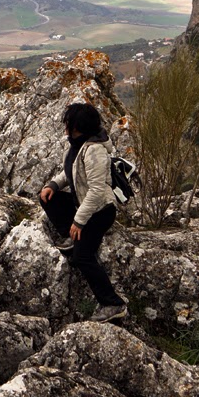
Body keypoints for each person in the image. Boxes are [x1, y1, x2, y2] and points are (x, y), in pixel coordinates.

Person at [39, 102, 127, 323]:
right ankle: (70, 235)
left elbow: (97, 191)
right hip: (84, 205)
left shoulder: (95, 150)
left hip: (100, 211)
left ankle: (113, 304)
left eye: (68, 123)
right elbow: (71, 173)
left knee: (81, 257)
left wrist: (78, 222)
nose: (65, 127)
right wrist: (53, 185)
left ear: (78, 126)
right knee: (49, 199)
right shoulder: (78, 145)